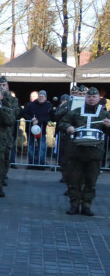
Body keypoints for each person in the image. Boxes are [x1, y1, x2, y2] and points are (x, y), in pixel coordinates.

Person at [59, 87, 110, 216]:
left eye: (94, 97)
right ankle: (74, 205)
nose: (91, 99)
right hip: (76, 152)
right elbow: (62, 123)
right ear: (85, 98)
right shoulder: (76, 112)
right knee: (74, 181)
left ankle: (87, 205)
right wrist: (68, 127)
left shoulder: (104, 114)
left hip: (94, 154)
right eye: (89, 97)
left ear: (99, 98)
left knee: (91, 181)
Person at [22, 90, 53, 166]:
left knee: (42, 147)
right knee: (31, 146)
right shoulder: (30, 105)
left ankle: (41, 163)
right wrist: (31, 119)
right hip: (30, 129)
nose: (41, 98)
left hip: (41, 130)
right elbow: (24, 113)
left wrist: (39, 121)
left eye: (42, 97)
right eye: (39, 96)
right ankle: (31, 163)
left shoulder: (49, 106)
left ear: (45, 98)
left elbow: (50, 116)